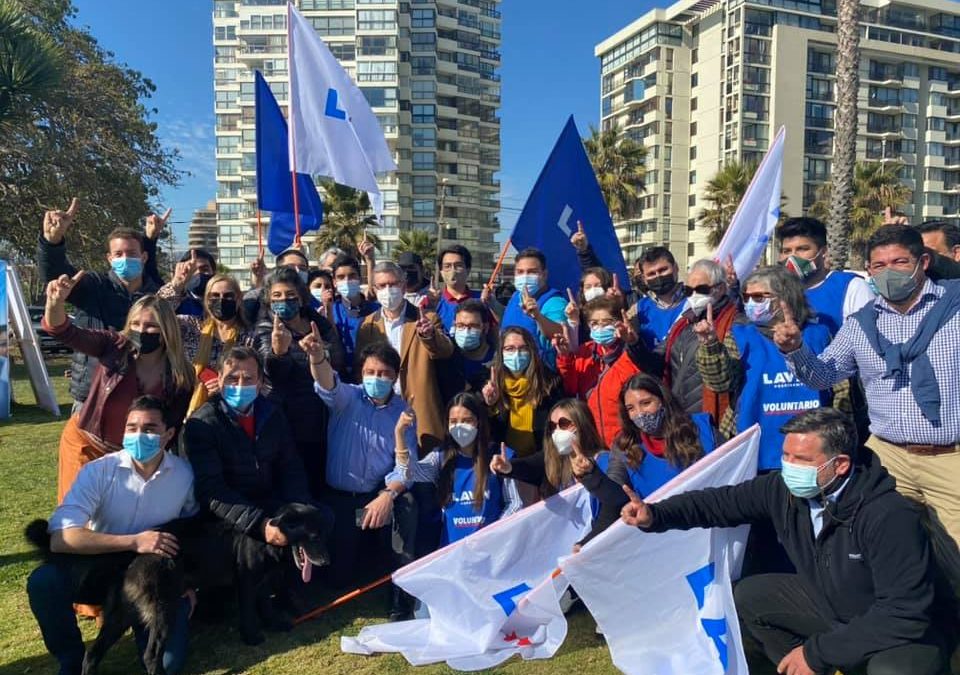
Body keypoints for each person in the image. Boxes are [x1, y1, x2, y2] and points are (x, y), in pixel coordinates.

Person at [621, 408, 952, 675]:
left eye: (802, 460)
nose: (789, 467)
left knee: (892, 670)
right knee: (751, 597)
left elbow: (904, 614)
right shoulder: (782, 489)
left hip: (904, 634)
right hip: (836, 610)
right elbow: (718, 504)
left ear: (840, 465)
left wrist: (817, 653)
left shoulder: (888, 515)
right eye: (786, 456)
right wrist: (655, 515)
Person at [777, 224, 960, 591]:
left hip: (950, 458)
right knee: (885, 554)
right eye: (878, 266)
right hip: (888, 457)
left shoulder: (955, 308)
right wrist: (795, 349)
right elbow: (823, 375)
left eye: (899, 261)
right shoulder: (862, 323)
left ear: (923, 262)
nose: (888, 271)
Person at [27, 396, 197, 675]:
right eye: (132, 428)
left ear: (169, 434)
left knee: (167, 663)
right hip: (99, 570)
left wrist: (186, 582)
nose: (139, 435)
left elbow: (191, 532)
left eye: (150, 428)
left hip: (152, 579)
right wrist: (134, 541)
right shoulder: (98, 472)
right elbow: (60, 538)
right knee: (43, 582)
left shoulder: (184, 476)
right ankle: (71, 660)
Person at [180, 346, 331, 621]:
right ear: (220, 381)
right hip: (227, 510)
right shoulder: (202, 424)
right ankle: (248, 598)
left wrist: (301, 505)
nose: (240, 385)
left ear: (261, 382)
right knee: (257, 538)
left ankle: (290, 587)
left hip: (267, 496)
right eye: (232, 379)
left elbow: (291, 465)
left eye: (248, 379)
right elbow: (212, 491)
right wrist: (260, 524)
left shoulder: (272, 413)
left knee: (318, 517)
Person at [43, 275, 194, 502]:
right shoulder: (113, 346)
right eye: (135, 324)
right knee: (78, 515)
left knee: (118, 518)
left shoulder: (181, 375)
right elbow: (65, 331)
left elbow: (172, 427)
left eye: (151, 326)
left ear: (166, 331)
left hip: (135, 454)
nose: (142, 331)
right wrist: (55, 304)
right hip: (87, 444)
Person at [301, 336, 419, 617]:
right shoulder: (348, 398)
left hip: (375, 496)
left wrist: (387, 495)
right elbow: (327, 383)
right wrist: (318, 357)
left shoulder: (403, 412)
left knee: (408, 504)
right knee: (339, 577)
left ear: (394, 377)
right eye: (370, 372)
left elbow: (406, 467)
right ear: (361, 373)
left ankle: (400, 594)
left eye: (384, 374)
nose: (376, 379)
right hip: (340, 500)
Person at [696, 267, 834, 467]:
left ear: (785, 297)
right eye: (746, 297)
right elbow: (720, 383)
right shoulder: (740, 334)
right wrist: (710, 345)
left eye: (759, 297)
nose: (751, 303)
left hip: (813, 445)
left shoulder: (820, 334)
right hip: (755, 443)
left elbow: (841, 389)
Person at [38, 201, 165, 411]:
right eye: (118, 254)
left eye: (132, 253)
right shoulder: (93, 286)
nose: (125, 258)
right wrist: (52, 242)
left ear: (143, 257)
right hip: (92, 394)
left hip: (144, 395)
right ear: (109, 258)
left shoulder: (157, 295)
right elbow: (56, 275)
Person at [574, 373, 715, 545]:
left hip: (709, 528)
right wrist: (591, 475)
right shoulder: (625, 447)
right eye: (631, 408)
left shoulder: (702, 429)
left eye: (646, 403)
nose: (640, 414)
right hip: (665, 542)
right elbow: (615, 499)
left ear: (662, 400)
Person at [255, 267, 343, 497]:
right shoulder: (266, 328)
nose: (284, 300)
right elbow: (272, 373)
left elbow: (339, 361)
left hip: (321, 419)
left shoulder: (319, 324)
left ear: (302, 297)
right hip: (286, 422)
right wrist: (279, 351)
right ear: (268, 300)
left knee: (321, 488)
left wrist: (321, 353)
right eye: (277, 296)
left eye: (290, 295)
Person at [355, 261, 454, 453]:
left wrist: (429, 335)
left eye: (393, 284)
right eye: (382, 286)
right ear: (374, 289)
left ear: (403, 285)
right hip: (382, 411)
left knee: (423, 475)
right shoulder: (367, 326)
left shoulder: (426, 318)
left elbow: (446, 351)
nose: (388, 290)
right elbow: (360, 371)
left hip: (420, 410)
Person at [405, 392, 522, 545]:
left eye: (467, 421)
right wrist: (401, 434)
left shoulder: (500, 456)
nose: (459, 427)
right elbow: (408, 473)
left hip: (491, 549)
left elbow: (515, 503)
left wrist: (495, 535)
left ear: (479, 422)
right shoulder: (440, 457)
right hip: (452, 552)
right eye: (453, 421)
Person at [663, 259, 746, 421]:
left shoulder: (736, 323)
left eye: (701, 289)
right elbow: (656, 358)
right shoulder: (684, 324)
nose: (694, 295)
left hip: (713, 420)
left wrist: (710, 344)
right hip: (680, 417)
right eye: (688, 290)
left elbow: (725, 381)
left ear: (721, 288)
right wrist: (633, 343)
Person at [556, 296, 642, 446]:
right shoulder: (585, 351)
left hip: (626, 441)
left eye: (607, 322)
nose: (600, 328)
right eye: (594, 323)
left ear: (618, 323)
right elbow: (571, 387)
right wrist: (565, 357)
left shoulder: (630, 355)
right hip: (593, 440)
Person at [490, 398, 606, 500]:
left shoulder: (604, 460)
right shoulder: (551, 460)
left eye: (564, 423)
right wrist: (508, 467)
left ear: (582, 424)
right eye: (552, 426)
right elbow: (528, 466)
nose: (557, 431)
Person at [776, 217, 874, 336]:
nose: (792, 257)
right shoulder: (775, 290)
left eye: (802, 249)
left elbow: (867, 340)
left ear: (823, 252)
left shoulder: (851, 287)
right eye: (786, 251)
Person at [498, 248, 567, 369]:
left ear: (544, 274)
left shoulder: (555, 302)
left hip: (540, 375)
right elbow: (506, 322)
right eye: (520, 272)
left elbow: (561, 334)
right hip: (509, 373)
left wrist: (537, 316)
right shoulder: (515, 297)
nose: (525, 276)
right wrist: (491, 303)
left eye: (532, 272)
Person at [329, 253, 379, 381]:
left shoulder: (377, 310)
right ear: (334, 282)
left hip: (371, 376)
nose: (347, 281)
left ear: (359, 278)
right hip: (340, 379)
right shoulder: (330, 311)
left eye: (352, 276)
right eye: (341, 277)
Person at [630, 247, 688, 352]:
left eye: (663, 270)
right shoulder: (639, 309)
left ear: (675, 268)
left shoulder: (695, 301)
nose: (658, 276)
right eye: (651, 274)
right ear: (644, 279)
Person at [435, 245, 482, 332]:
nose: (453, 270)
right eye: (447, 266)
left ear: (468, 270)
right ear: (441, 272)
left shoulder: (481, 300)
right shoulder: (432, 302)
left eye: (458, 265)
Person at [162, 248, 217, 318]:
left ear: (214, 272)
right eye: (192, 270)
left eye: (204, 269)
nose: (199, 273)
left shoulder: (223, 300)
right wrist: (175, 286)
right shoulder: (178, 304)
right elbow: (156, 313)